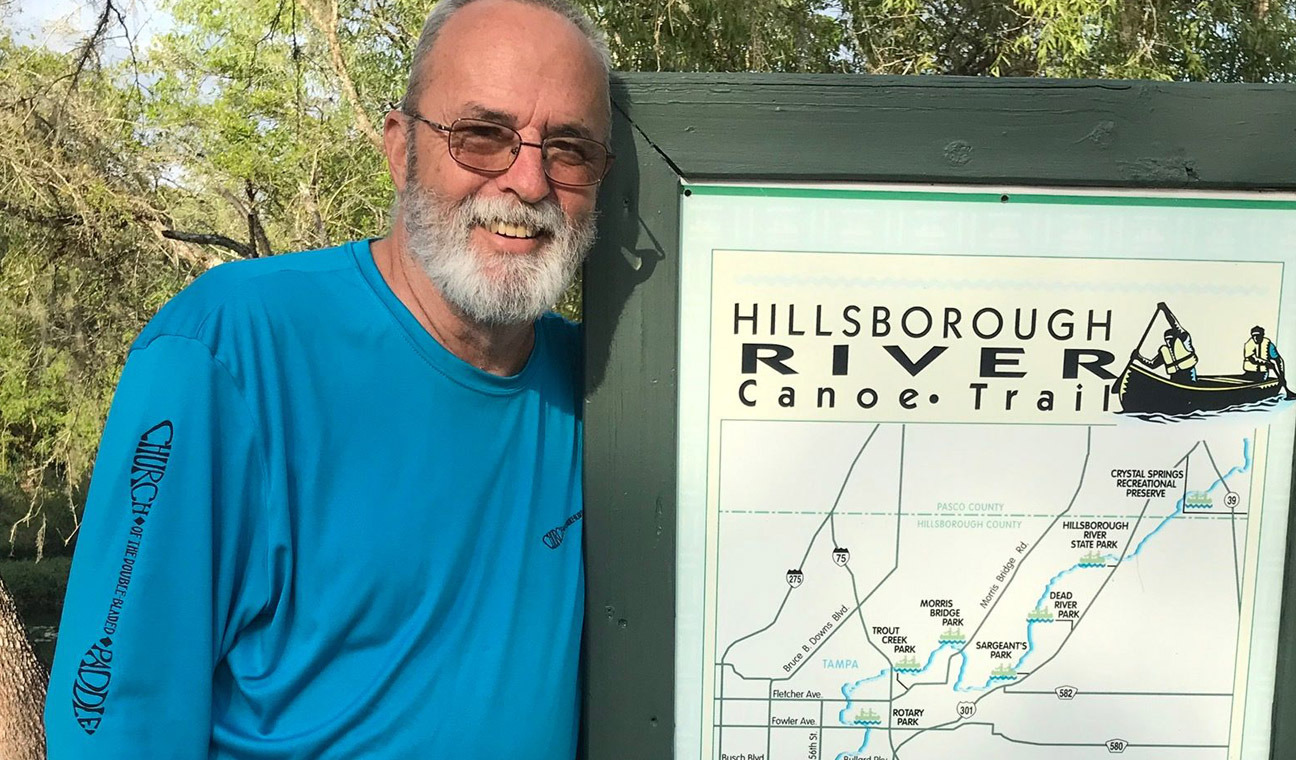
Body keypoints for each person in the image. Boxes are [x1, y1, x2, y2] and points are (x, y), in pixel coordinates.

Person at [43, 0, 612, 757]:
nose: (529, 180)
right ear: (401, 148)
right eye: (483, 136)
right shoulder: (228, 349)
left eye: (569, 149)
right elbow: (112, 716)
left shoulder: (606, 394)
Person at [1133, 326, 1198, 383]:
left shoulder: (1185, 344)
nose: (1168, 342)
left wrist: (1166, 314)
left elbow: (1175, 325)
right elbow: (1152, 364)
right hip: (1175, 378)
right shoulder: (1165, 352)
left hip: (1189, 375)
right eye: (1166, 340)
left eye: (1170, 339)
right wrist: (1138, 357)